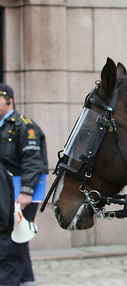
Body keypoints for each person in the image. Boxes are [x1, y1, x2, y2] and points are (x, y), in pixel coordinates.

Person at [0, 83, 48, 286]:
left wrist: (26, 191)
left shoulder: (23, 124)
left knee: (10, 242)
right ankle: (26, 280)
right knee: (17, 238)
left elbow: (33, 160)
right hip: (6, 191)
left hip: (22, 192)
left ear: (9, 100)